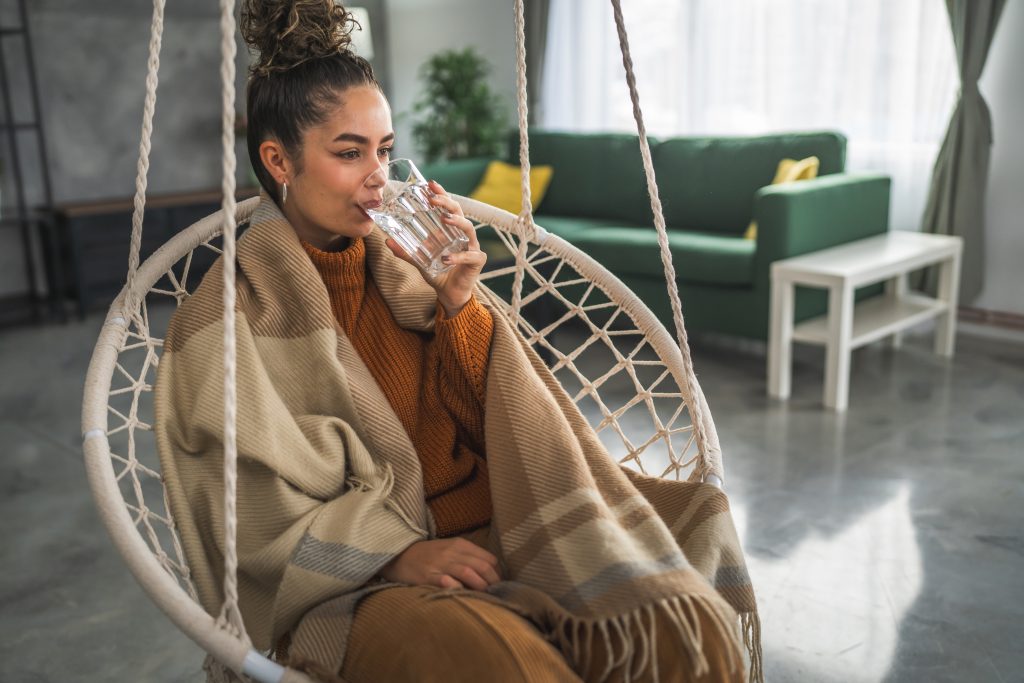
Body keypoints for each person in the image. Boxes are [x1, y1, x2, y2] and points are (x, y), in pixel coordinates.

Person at [154, 2, 752, 682]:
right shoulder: (225, 318)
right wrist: (394, 555)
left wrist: (459, 302)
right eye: (349, 153)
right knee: (501, 664)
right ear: (277, 160)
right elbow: (239, 513)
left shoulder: (409, 270)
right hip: (357, 582)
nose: (378, 175)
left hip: (498, 520)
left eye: (384, 149)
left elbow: (494, 425)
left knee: (681, 622)